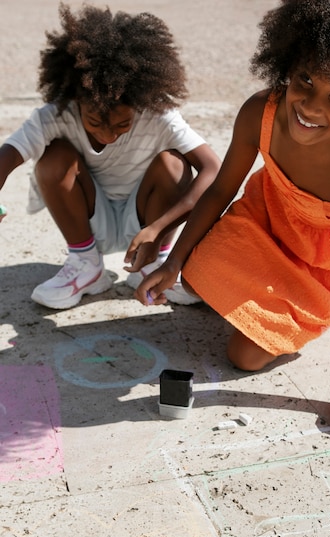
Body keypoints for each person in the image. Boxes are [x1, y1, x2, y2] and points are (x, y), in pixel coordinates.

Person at [131, 0, 330, 444]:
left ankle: (291, 319)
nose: (310, 104)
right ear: (288, 65)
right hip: (267, 218)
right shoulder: (262, 111)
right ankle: (241, 291)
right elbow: (222, 189)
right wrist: (172, 263)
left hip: (322, 263)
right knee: (194, 269)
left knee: (243, 356)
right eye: (305, 79)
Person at [0, 3, 220, 309]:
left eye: (121, 123)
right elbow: (7, 155)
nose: (106, 133)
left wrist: (157, 231)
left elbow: (213, 170)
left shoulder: (158, 116)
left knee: (175, 165)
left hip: (147, 224)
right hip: (90, 220)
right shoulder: (56, 115)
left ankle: (154, 266)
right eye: (94, 122)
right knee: (52, 160)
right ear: (77, 100)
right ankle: (86, 265)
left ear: (139, 104)